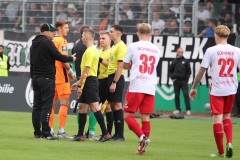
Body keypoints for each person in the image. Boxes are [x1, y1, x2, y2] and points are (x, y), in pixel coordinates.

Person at [189, 25, 238, 158]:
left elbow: (201, 71)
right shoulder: (237, 50)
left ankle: (221, 152)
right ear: (227, 36)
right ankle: (229, 142)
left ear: (216, 35)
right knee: (227, 117)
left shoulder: (211, 50)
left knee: (217, 119)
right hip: (231, 88)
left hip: (217, 89)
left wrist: (194, 87)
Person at [30, 23, 76, 140]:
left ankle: (37, 132)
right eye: (52, 32)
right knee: (46, 106)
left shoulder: (33, 44)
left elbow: (32, 64)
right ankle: (46, 133)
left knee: (37, 107)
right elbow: (58, 56)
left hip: (36, 78)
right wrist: (71, 58)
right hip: (47, 78)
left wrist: (32, 78)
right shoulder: (47, 42)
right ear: (45, 32)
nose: (54, 34)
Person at [123, 23, 160, 155]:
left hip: (137, 84)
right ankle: (142, 148)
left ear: (138, 33)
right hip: (150, 85)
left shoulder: (133, 46)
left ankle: (142, 137)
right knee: (145, 117)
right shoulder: (156, 49)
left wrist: (132, 64)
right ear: (150, 34)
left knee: (127, 115)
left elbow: (125, 65)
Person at [70, 28, 111, 142]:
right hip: (89, 80)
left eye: (83, 36)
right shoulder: (93, 50)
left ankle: (105, 133)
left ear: (87, 37)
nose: (82, 38)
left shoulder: (89, 51)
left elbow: (86, 71)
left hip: (89, 82)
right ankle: (80, 134)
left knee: (95, 107)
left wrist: (80, 86)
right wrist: (78, 83)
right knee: (82, 107)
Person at [48, 19, 76, 138]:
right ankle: (61, 130)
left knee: (52, 105)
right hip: (62, 77)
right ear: (59, 28)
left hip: (52, 77)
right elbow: (63, 59)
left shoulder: (51, 40)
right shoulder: (62, 41)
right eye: (66, 27)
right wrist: (70, 70)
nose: (68, 29)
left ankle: (49, 130)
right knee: (64, 103)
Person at [72, 25, 97, 139]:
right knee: (93, 105)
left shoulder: (76, 47)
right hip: (90, 77)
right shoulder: (91, 48)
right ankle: (91, 131)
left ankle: (80, 132)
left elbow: (75, 64)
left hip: (80, 77)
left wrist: (78, 80)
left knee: (82, 106)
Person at [108, 25, 127, 141]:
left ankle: (120, 135)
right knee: (113, 105)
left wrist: (114, 81)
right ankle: (116, 134)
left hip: (117, 78)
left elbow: (120, 65)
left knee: (117, 104)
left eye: (111, 32)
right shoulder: (115, 46)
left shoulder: (121, 46)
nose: (109, 33)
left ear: (118, 34)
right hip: (111, 77)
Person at [98, 30, 113, 135]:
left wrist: (100, 60)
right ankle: (90, 131)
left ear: (109, 39)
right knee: (94, 106)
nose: (101, 40)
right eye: (100, 38)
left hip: (105, 80)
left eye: (104, 38)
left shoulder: (111, 51)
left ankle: (108, 131)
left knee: (107, 106)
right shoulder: (98, 51)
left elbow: (112, 65)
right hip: (96, 80)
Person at [169, 47, 191, 115]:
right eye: (180, 52)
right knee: (176, 95)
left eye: (182, 52)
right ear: (177, 52)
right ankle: (178, 109)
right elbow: (170, 70)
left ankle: (188, 109)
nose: (181, 53)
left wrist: (186, 80)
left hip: (184, 81)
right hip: (176, 81)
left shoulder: (186, 61)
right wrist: (172, 78)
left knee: (186, 94)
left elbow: (189, 71)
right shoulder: (174, 61)